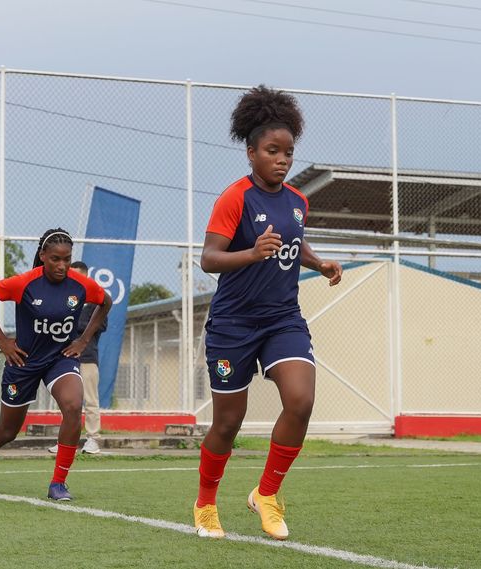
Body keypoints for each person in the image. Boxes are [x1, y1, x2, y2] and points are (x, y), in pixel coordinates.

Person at [193, 85, 343, 540]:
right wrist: (251, 253)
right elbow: (210, 258)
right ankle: (204, 503)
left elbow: (292, 244)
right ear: (251, 152)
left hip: (282, 319)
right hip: (233, 325)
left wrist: (318, 262)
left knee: (301, 400)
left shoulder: (298, 202)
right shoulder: (234, 198)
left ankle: (267, 494)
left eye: (288, 152)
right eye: (272, 151)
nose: (282, 159)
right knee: (228, 422)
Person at [0, 228, 111, 500]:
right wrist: (2, 340)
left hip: (59, 359)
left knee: (73, 405)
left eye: (67, 259)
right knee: (8, 431)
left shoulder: (80, 285)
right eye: (55, 259)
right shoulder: (24, 283)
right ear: (43, 256)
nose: (62, 265)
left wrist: (82, 341)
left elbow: (106, 302)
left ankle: (58, 483)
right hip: (23, 361)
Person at [48, 260, 107, 455]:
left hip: (87, 357)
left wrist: (75, 325)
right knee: (66, 401)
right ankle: (64, 441)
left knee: (90, 399)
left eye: (75, 274)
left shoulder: (95, 300)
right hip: (64, 359)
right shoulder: (62, 298)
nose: (70, 277)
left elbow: (100, 325)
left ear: (85, 276)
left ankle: (93, 439)